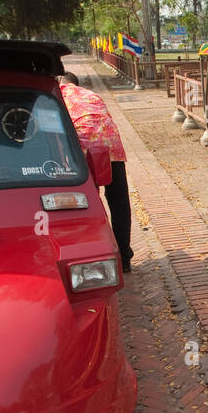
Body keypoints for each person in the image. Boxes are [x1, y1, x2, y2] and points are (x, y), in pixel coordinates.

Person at [58, 71, 133, 271]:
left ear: (61, 81)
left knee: (88, 203)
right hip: (112, 147)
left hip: (83, 149)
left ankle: (96, 258)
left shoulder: (58, 94)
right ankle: (124, 258)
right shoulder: (92, 95)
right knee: (119, 204)